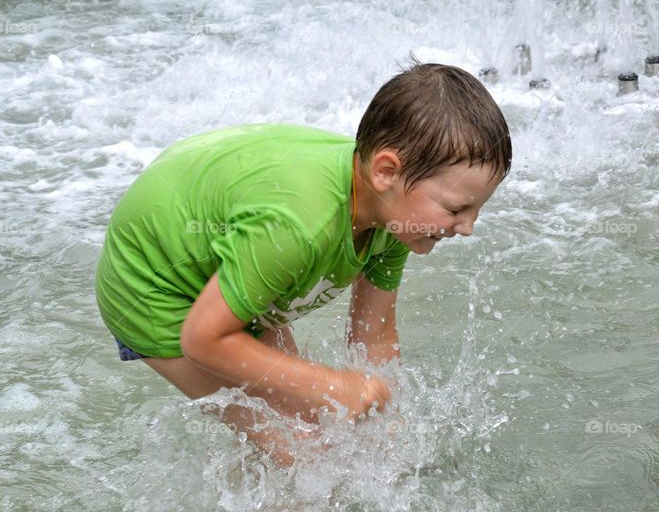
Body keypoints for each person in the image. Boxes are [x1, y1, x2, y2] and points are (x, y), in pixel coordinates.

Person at [94, 61, 512, 463]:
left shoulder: (394, 215)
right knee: (295, 448)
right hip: (154, 284)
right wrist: (332, 385)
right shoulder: (301, 227)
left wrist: (389, 422)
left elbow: (375, 332)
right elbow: (203, 340)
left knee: (322, 425)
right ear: (387, 171)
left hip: (229, 253)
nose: (467, 226)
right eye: (457, 208)